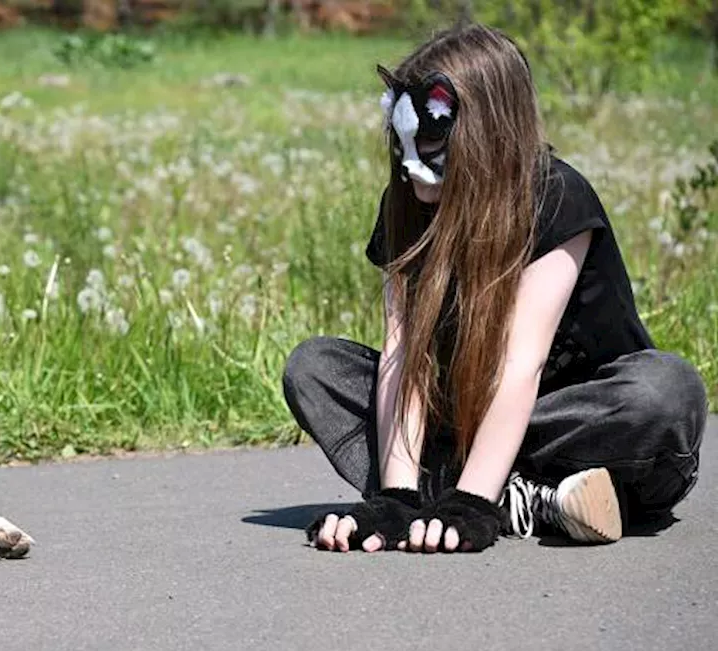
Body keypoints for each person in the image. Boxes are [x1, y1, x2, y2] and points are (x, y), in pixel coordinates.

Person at [281, 23, 708, 554]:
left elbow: (518, 365)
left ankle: (487, 492)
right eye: (402, 138)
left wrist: (471, 504)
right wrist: (395, 498)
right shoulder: (408, 206)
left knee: (665, 389)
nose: (412, 161)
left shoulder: (554, 197)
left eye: (433, 139)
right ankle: (530, 499)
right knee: (315, 367)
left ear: (486, 132)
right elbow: (403, 358)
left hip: (575, 425)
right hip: (464, 418)